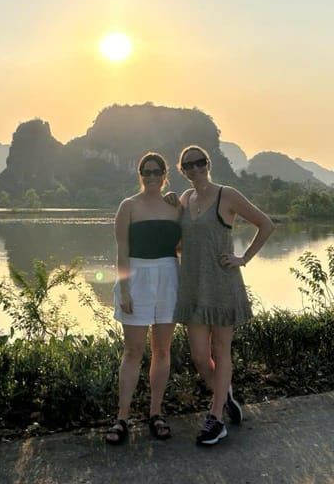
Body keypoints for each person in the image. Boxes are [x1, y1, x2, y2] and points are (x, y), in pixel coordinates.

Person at [174, 145, 275, 446]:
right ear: (183, 170)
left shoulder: (226, 195)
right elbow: (179, 243)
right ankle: (225, 392)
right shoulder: (183, 199)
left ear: (208, 164)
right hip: (192, 287)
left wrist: (243, 258)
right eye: (188, 165)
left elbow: (266, 225)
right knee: (199, 357)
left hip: (221, 284)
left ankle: (216, 418)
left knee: (221, 349)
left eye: (199, 163)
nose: (195, 169)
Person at [105, 152, 182, 445]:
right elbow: (121, 251)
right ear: (140, 174)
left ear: (165, 175)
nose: (151, 176)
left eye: (156, 172)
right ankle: (122, 417)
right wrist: (124, 290)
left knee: (162, 351)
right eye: (145, 171)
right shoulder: (129, 206)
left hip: (168, 277)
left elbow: (186, 244)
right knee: (133, 352)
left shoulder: (176, 207)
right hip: (136, 278)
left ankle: (155, 413)